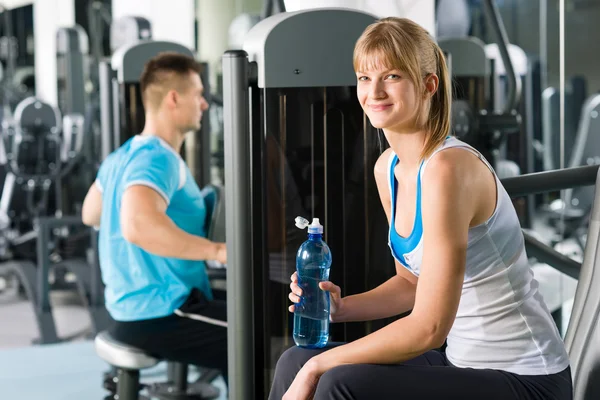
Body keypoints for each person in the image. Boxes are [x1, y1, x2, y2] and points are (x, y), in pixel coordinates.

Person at [269, 17, 572, 400]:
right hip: (462, 363)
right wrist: (341, 309)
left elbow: (430, 329)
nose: (373, 91)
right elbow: (412, 284)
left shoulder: (448, 169)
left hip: (528, 378)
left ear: (429, 85)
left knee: (335, 380)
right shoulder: (389, 169)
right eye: (364, 77)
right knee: (293, 360)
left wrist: (321, 365)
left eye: (392, 76)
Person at [81, 52, 229, 382]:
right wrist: (218, 251)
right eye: (199, 95)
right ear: (174, 98)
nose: (204, 104)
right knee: (255, 334)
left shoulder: (122, 155)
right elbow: (137, 225)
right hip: (164, 311)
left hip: (129, 310)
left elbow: (91, 214)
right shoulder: (159, 159)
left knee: (245, 312)